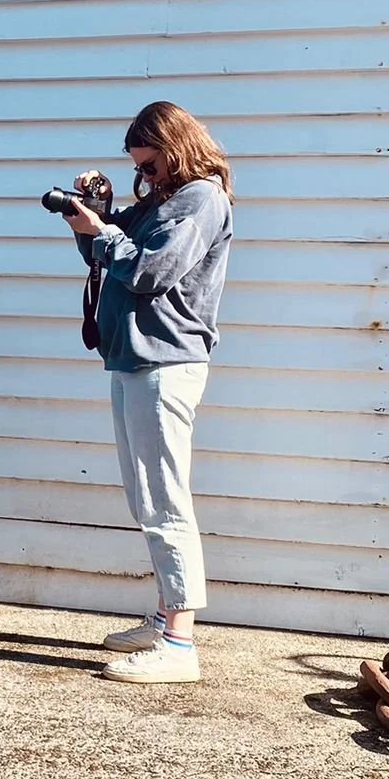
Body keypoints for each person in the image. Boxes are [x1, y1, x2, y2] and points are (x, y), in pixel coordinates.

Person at [60, 101, 233, 686]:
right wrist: (99, 215)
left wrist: (105, 233)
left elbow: (151, 271)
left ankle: (180, 644)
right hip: (133, 359)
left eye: (152, 165)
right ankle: (164, 618)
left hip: (166, 362)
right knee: (144, 495)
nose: (147, 177)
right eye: (141, 168)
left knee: (164, 497)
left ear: (176, 148)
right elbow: (106, 253)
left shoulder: (203, 198)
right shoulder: (163, 201)